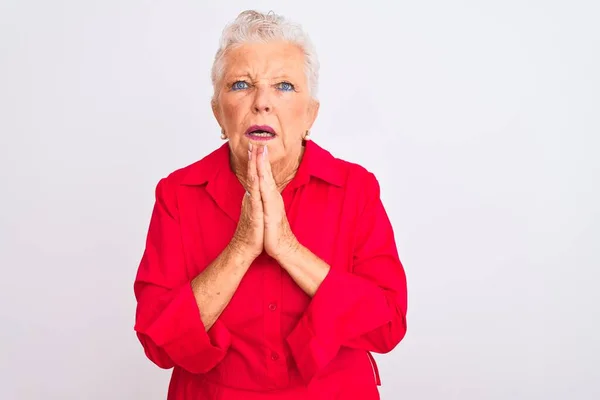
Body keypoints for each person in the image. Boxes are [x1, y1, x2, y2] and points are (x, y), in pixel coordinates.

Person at [133, 9, 408, 400]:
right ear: (218, 113)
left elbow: (387, 326)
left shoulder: (355, 189)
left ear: (310, 114)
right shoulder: (178, 193)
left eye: (284, 86)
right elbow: (158, 342)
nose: (262, 102)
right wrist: (242, 246)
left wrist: (288, 249)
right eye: (241, 84)